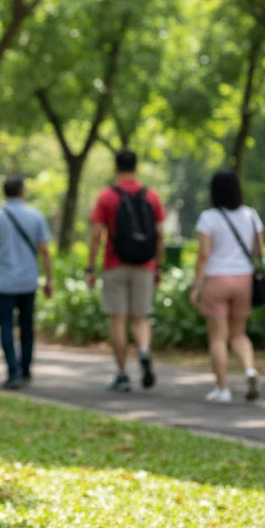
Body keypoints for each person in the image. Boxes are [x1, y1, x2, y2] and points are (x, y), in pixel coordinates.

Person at [86, 149, 165, 393]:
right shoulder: (151, 196)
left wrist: (90, 266)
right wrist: (158, 266)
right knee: (140, 319)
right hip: (144, 266)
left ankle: (122, 374)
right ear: (136, 166)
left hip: (114, 265)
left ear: (115, 168)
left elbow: (97, 234)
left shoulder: (107, 196)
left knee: (118, 321)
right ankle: (143, 351)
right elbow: (161, 234)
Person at [189, 171, 263, 403]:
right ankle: (250, 369)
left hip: (216, 280)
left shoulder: (208, 218)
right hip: (244, 279)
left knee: (218, 338)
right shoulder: (251, 215)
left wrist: (196, 285)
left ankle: (223, 389)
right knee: (239, 334)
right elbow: (259, 250)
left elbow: (204, 255)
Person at [0, 176, 53, 389]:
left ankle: (13, 371)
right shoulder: (35, 216)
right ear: (22, 191)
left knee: (6, 326)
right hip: (28, 281)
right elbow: (44, 251)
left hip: (3, 282)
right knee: (27, 326)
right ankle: (26, 369)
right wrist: (49, 279)